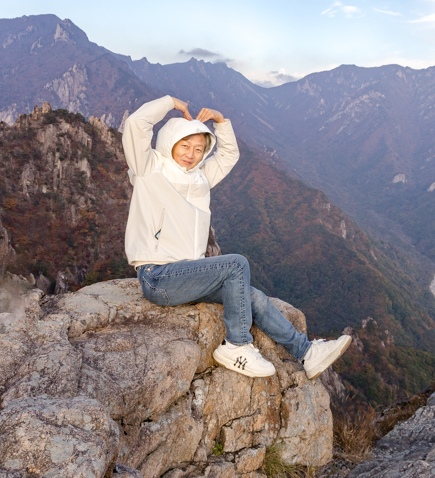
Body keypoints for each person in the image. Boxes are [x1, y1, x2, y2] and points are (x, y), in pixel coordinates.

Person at [122, 94, 351, 379]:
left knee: (250, 295)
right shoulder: (149, 168)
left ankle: (306, 352)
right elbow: (135, 124)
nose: (191, 154)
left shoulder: (200, 177)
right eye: (185, 145)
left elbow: (229, 155)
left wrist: (221, 121)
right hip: (158, 277)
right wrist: (170, 102)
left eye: (198, 148)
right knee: (235, 264)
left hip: (187, 275)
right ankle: (237, 346)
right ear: (170, 142)